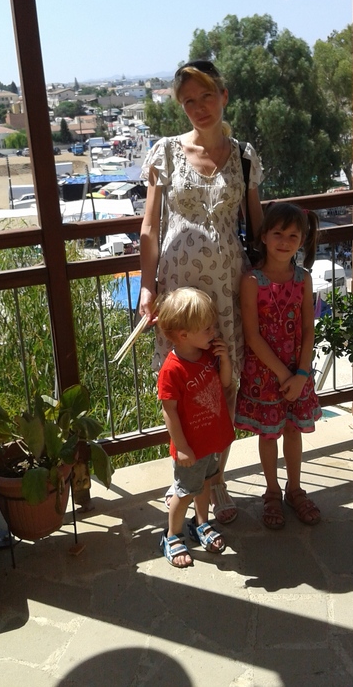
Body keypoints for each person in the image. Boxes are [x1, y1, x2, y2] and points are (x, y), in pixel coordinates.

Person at [139, 59, 264, 524]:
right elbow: (149, 228)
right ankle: (186, 480)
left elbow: (256, 223)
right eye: (188, 100)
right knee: (182, 387)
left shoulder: (244, 156)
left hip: (227, 289)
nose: (198, 107)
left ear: (224, 96)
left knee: (221, 386)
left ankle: (216, 481)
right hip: (179, 290)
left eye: (206, 96)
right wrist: (146, 286)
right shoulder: (166, 153)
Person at [235, 203, 322, 529]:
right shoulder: (251, 281)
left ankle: (294, 489)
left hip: (297, 372)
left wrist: (302, 373)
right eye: (278, 234)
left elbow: (309, 329)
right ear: (264, 236)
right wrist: (285, 374)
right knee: (269, 434)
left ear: (302, 240)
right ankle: (272, 491)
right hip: (265, 374)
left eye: (292, 236)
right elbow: (253, 336)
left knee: (293, 430)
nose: (284, 241)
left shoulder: (303, 279)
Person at [156, 287, 236, 567]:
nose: (213, 331)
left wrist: (225, 360)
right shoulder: (172, 370)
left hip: (212, 440)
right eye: (207, 328)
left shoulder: (207, 354)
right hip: (191, 447)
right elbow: (169, 411)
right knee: (184, 492)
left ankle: (201, 522)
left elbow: (225, 383)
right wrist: (182, 448)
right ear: (183, 335)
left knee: (206, 484)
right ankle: (172, 535)